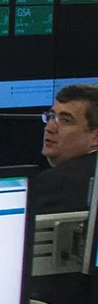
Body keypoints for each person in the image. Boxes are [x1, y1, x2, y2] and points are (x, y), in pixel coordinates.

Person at [31, 84, 98, 215]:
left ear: (95, 137)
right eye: (51, 117)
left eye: (65, 120)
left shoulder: (57, 181)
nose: (49, 128)